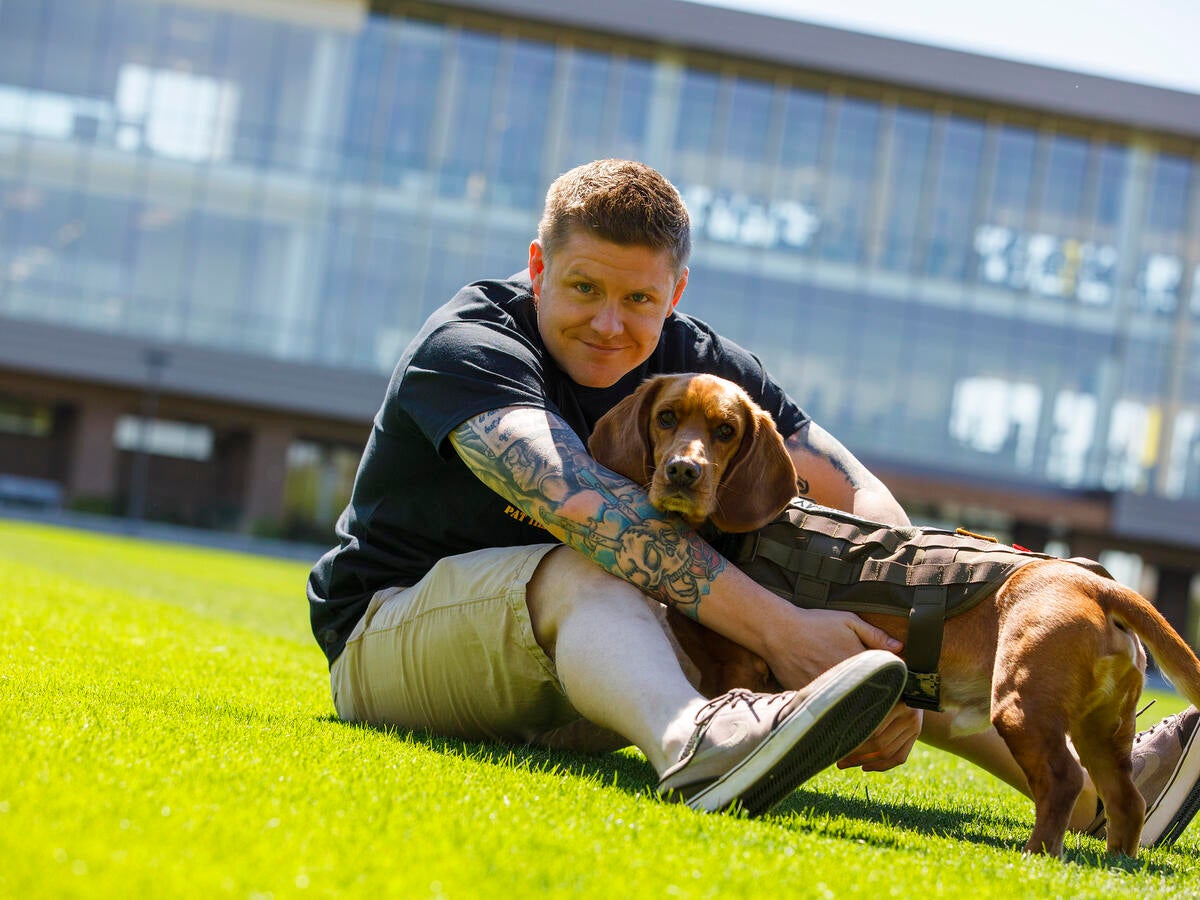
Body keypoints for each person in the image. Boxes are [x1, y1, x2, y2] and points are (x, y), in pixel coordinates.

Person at [308, 159, 1200, 840]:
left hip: (588, 669)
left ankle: (1095, 800)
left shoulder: (698, 362)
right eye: (582, 288)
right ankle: (699, 744)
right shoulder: (469, 346)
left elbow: (859, 500)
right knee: (598, 563)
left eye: (639, 298)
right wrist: (781, 631)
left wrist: (893, 662)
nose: (611, 323)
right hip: (394, 638)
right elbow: (586, 509)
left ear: (675, 291)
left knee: (828, 598)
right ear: (539, 267)